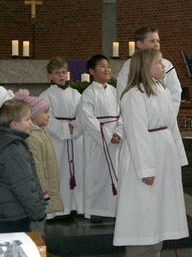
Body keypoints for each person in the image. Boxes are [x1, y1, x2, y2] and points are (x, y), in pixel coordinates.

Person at [113, 49, 189, 257]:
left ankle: (155, 250)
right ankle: (139, 251)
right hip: (144, 160)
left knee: (160, 212)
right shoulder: (133, 95)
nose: (163, 66)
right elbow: (137, 133)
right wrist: (146, 169)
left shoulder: (162, 90)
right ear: (146, 67)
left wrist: (178, 157)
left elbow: (171, 125)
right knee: (143, 212)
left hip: (164, 157)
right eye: (158, 63)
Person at [78, 54, 123, 221]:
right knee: (97, 174)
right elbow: (87, 118)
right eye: (102, 66)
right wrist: (107, 135)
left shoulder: (115, 91)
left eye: (108, 66)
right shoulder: (88, 94)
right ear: (92, 71)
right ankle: (96, 209)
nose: (107, 69)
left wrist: (119, 132)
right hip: (98, 141)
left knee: (117, 173)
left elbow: (122, 114)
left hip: (116, 138)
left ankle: (115, 208)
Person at [15, 89, 64, 236]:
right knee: (36, 228)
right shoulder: (32, 138)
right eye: (45, 112)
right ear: (34, 115)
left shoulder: (40, 133)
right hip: (38, 194)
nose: (48, 115)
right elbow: (37, 169)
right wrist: (44, 192)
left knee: (41, 226)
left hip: (42, 192)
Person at [39, 57, 84, 217]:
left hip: (75, 140)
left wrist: (76, 127)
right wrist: (66, 128)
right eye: (57, 73)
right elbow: (45, 118)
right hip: (57, 141)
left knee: (77, 171)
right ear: (50, 76)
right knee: (58, 172)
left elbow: (83, 114)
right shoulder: (45, 96)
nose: (61, 76)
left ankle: (75, 206)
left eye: (64, 72)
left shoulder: (76, 94)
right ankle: (59, 209)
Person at [0, 99, 46, 233]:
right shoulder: (13, 149)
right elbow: (23, 185)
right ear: (14, 124)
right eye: (27, 120)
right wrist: (37, 212)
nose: (31, 123)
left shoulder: (6, 141)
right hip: (13, 214)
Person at [117, 26, 182, 115]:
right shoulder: (130, 65)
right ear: (139, 44)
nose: (156, 44)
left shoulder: (166, 65)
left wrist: (169, 116)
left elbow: (175, 92)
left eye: (158, 41)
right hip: (137, 115)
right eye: (152, 41)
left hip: (163, 117)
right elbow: (122, 92)